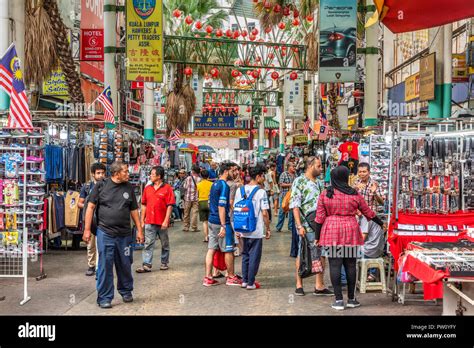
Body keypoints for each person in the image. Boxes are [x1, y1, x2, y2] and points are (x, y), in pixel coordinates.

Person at [313, 166, 384, 310]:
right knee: (351, 265)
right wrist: (381, 224)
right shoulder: (354, 193)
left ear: (333, 178)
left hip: (332, 230)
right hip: (350, 230)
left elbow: (319, 218)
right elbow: (368, 212)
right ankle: (352, 299)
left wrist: (317, 236)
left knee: (335, 265)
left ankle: (338, 300)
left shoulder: (326, 194)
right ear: (346, 177)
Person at [83, 161, 144, 309]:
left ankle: (126, 291)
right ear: (116, 173)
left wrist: (140, 230)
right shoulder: (101, 186)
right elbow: (90, 207)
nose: (128, 174)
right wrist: (86, 229)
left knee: (125, 263)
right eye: (125, 171)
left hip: (124, 235)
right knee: (105, 265)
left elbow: (134, 210)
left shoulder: (129, 187)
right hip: (105, 233)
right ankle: (104, 297)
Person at [290, 156, 332, 296]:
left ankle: (319, 285)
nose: (321, 169)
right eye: (319, 166)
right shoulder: (299, 181)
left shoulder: (320, 183)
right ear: (310, 166)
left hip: (320, 225)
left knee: (321, 254)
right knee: (302, 253)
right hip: (305, 225)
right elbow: (295, 205)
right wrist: (299, 225)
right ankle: (299, 284)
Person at [203, 161, 242, 287]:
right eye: (232, 171)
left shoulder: (214, 184)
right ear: (226, 171)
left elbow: (210, 203)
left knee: (211, 249)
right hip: (221, 222)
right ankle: (230, 276)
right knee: (228, 249)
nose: (234, 173)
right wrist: (223, 225)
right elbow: (221, 206)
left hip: (211, 221)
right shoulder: (224, 186)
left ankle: (208, 277)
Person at [234, 164, 271, 290]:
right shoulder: (261, 192)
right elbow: (265, 213)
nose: (264, 179)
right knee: (254, 256)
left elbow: (236, 209)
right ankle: (251, 283)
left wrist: (236, 229)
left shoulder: (240, 190)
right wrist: (268, 228)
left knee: (245, 255)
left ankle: (244, 281)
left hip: (242, 228)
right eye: (263, 176)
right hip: (256, 229)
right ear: (259, 176)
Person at [136, 166, 175, 273]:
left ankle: (164, 262)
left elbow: (170, 206)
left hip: (162, 221)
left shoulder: (167, 188)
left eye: (153, 174)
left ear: (159, 176)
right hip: (149, 221)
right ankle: (146, 264)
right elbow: (144, 205)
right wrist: (142, 220)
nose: (150, 176)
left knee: (164, 243)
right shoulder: (147, 188)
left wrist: (166, 220)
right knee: (148, 243)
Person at [354, 163, 386, 281]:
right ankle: (362, 270)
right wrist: (355, 190)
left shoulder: (374, 184)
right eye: (360, 171)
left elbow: (382, 202)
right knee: (361, 243)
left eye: (364, 171)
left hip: (372, 219)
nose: (362, 174)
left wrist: (374, 192)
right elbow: (352, 200)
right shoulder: (356, 184)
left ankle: (372, 273)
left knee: (372, 243)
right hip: (358, 218)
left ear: (369, 172)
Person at [78, 163, 106, 277]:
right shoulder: (87, 187)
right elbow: (79, 203)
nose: (101, 175)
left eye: (103, 173)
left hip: (103, 220)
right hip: (90, 220)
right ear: (93, 174)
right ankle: (91, 265)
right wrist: (90, 205)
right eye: (98, 173)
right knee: (90, 245)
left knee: (102, 245)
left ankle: (100, 268)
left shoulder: (107, 185)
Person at [276, 162, 296, 233]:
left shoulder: (295, 175)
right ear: (289, 167)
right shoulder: (284, 174)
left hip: (292, 196)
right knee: (282, 211)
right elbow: (281, 184)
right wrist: (291, 184)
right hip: (284, 195)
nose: (294, 167)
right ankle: (278, 227)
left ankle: (290, 227)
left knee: (291, 212)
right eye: (293, 166)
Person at [182, 165, 201, 232]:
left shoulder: (188, 178)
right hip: (196, 198)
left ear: (193, 171)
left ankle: (186, 227)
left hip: (187, 198)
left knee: (186, 213)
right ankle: (194, 227)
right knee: (195, 213)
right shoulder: (199, 179)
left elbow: (185, 187)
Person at [197, 169, 213, 243]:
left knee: (204, 222)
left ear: (201, 176)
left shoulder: (198, 184)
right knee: (210, 221)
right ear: (208, 176)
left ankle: (206, 237)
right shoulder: (211, 184)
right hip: (209, 202)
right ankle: (211, 236)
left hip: (201, 202)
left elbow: (197, 194)